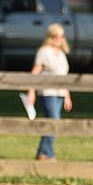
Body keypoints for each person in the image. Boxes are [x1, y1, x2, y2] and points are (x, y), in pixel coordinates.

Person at [26, 23, 73, 161]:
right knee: (54, 122)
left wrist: (67, 95)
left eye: (61, 36)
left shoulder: (62, 54)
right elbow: (34, 73)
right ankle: (47, 154)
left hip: (59, 93)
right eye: (55, 36)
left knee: (53, 123)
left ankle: (44, 152)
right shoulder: (44, 52)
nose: (58, 38)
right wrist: (31, 92)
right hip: (48, 92)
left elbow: (64, 76)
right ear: (50, 37)